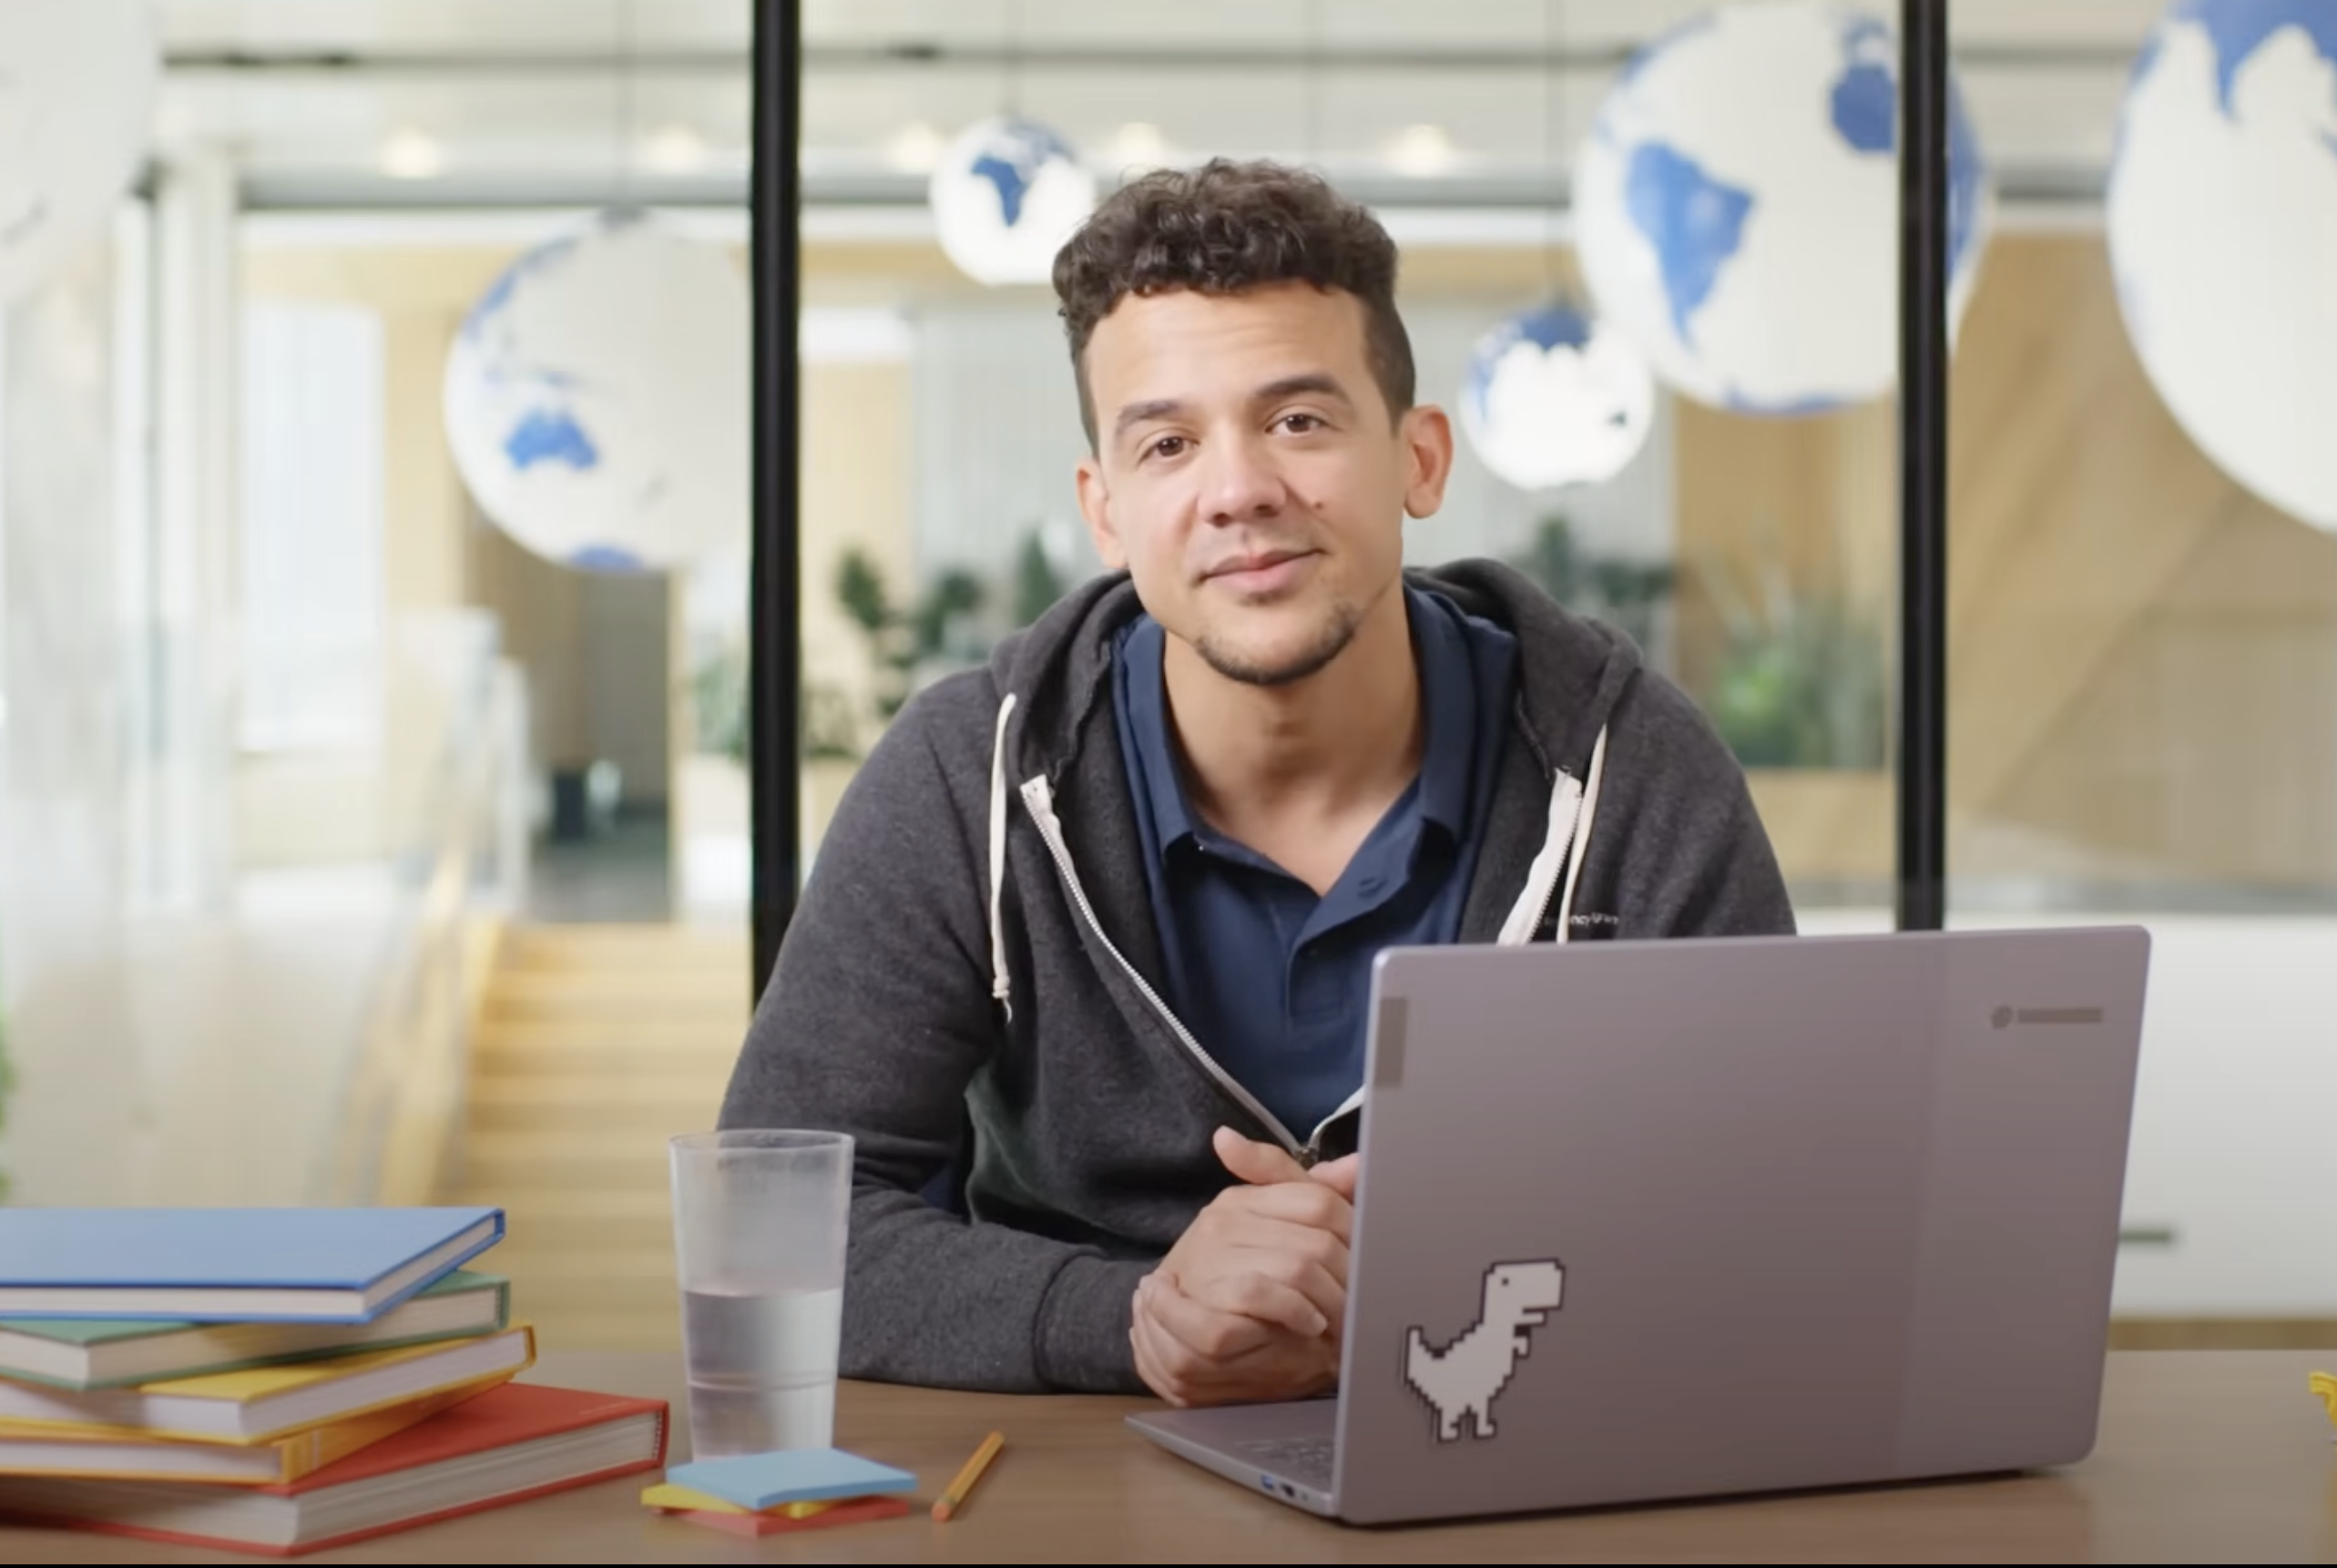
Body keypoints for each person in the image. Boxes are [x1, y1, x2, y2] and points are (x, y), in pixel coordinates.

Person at [720, 159, 1791, 1405]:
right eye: (1167, 443)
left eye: (1298, 420)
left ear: (1419, 460)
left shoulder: (1630, 768)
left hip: (1522, 1459)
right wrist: (1133, 1317)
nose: (1238, 492)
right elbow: (769, 1222)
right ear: (1106, 512)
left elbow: (1767, 1210)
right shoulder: (967, 777)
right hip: (1081, 1483)